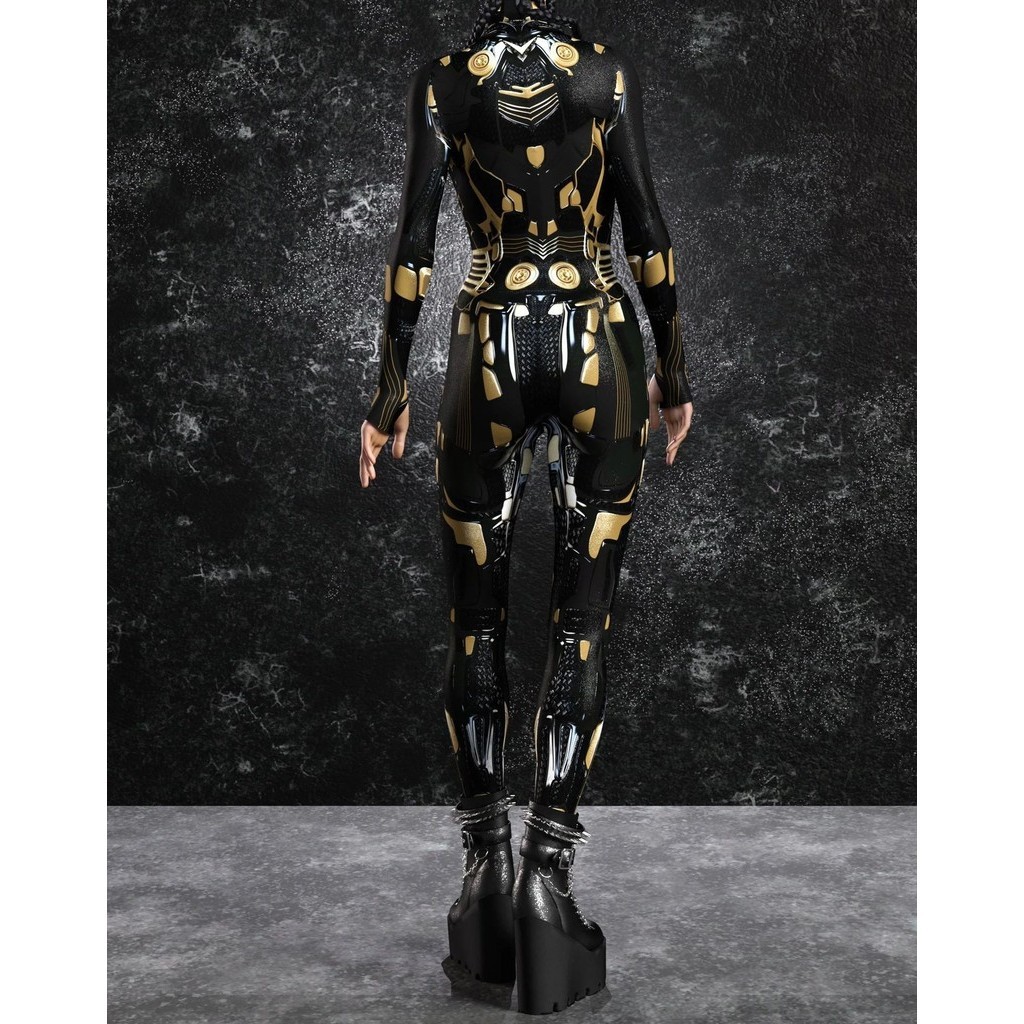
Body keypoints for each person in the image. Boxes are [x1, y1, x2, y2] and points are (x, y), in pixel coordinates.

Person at [358, 0, 693, 1013]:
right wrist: (675, 375)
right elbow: (647, 232)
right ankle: (548, 882)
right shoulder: (605, 73)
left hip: (488, 346)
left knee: (474, 623)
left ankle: (484, 883)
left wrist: (387, 397)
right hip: (596, 340)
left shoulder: (442, 82)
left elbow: (414, 245)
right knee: (582, 624)